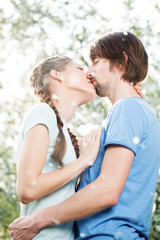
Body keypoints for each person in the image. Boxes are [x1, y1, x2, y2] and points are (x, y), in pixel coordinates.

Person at [10, 32, 160, 240]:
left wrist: (37, 220)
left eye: (95, 62)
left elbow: (107, 190)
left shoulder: (127, 109)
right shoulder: (125, 113)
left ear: (121, 62)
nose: (89, 72)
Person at [11, 55, 104, 240]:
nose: (87, 73)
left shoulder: (67, 136)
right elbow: (27, 189)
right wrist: (83, 162)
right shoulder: (42, 112)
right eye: (79, 68)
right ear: (57, 75)